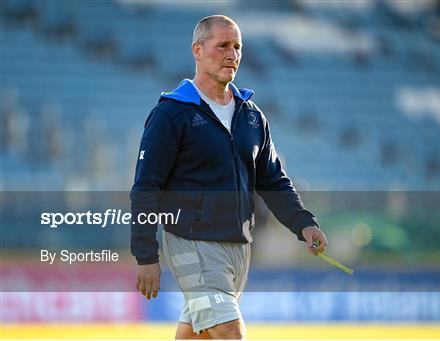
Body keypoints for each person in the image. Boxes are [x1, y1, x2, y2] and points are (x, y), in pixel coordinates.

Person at [130, 15, 327, 340]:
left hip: (238, 246)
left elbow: (274, 181)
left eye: (238, 47)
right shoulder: (172, 113)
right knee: (230, 333)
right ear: (197, 50)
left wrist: (303, 223)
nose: (232, 54)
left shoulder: (251, 115)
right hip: (191, 243)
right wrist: (146, 254)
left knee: (199, 334)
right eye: (223, 45)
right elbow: (146, 188)